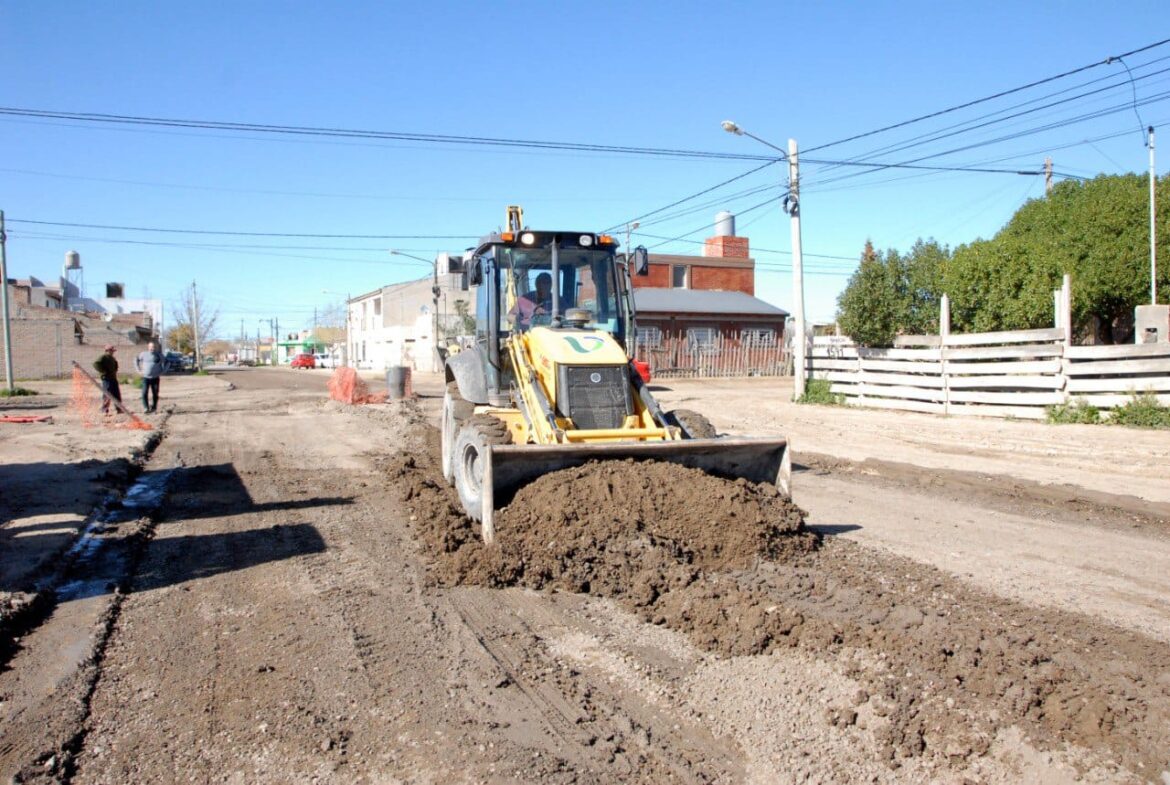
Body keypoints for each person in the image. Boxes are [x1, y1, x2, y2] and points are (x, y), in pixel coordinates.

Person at [92, 344, 122, 415]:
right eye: (111, 350)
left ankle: (119, 409)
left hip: (113, 378)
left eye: (113, 351)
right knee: (107, 394)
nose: (112, 352)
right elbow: (96, 363)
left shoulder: (112, 358)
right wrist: (103, 371)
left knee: (116, 394)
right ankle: (104, 410)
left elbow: (115, 366)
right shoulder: (103, 357)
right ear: (107, 350)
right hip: (107, 379)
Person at [136, 340, 163, 413]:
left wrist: (163, 370)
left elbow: (167, 362)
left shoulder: (159, 355)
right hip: (145, 378)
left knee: (155, 393)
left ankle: (154, 407)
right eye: (151, 347)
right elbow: (136, 360)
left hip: (155, 378)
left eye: (153, 347)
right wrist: (138, 370)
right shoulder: (143, 354)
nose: (152, 348)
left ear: (155, 348)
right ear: (148, 347)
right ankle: (146, 408)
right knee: (144, 392)